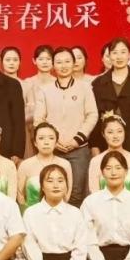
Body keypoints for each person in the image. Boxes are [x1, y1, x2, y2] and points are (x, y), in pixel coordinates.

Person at [33, 47, 98, 204]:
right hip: (52, 150)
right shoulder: (45, 90)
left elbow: (92, 115)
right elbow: (39, 119)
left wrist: (77, 139)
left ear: (74, 63)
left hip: (78, 149)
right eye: (59, 62)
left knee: (76, 193)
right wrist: (52, 141)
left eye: (67, 61)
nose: (63, 66)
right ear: (53, 65)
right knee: (50, 191)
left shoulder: (85, 87)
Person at [92, 38, 130, 160]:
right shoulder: (99, 83)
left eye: (123, 52)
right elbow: (95, 116)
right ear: (109, 56)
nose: (119, 57)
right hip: (106, 144)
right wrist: (94, 145)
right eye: (114, 53)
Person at [87, 113, 130, 197]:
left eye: (119, 131)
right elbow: (94, 193)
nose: (115, 136)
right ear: (103, 134)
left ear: (124, 133)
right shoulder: (96, 161)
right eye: (110, 132)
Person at [16, 122, 72, 210]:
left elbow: (67, 194)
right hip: (31, 212)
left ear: (56, 142)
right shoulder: (26, 165)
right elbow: (20, 195)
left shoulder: (65, 164)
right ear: (35, 142)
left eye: (51, 138)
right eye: (41, 138)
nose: (46, 142)